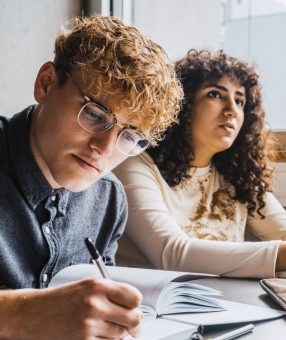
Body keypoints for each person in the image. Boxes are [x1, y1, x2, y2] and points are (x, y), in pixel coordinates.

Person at [113, 50, 286, 279]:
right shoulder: (134, 164)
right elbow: (172, 253)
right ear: (179, 105)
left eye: (240, 100)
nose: (232, 110)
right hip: (155, 312)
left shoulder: (236, 175)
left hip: (227, 304)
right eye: (214, 94)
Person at [0, 15, 183, 339]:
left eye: (129, 136)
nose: (104, 147)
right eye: (95, 114)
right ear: (46, 83)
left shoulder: (109, 201)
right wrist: (23, 314)